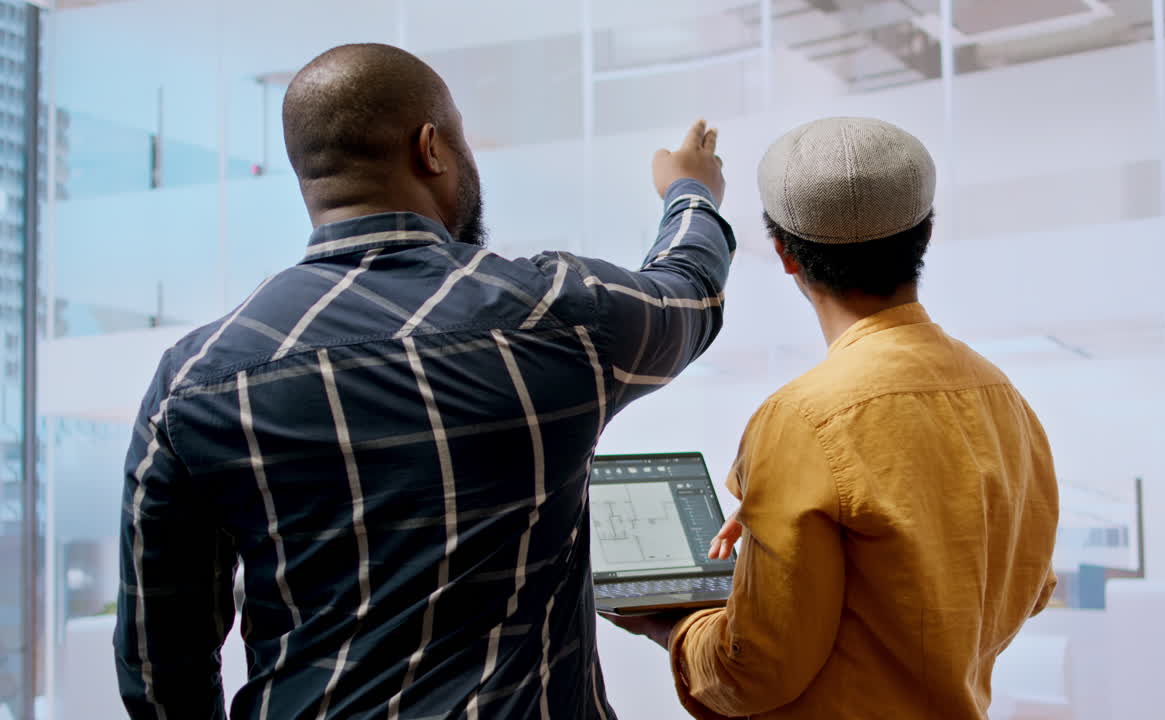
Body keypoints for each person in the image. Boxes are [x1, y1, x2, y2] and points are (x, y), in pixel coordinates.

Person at [113, 43, 733, 719]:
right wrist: (690, 191)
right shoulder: (552, 316)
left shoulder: (194, 380)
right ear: (431, 148)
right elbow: (688, 291)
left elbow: (160, 665)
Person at [605, 117, 1059, 719]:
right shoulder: (1004, 399)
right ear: (925, 232)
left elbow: (756, 670)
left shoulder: (802, 420)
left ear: (785, 255)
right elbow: (1028, 586)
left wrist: (673, 627)